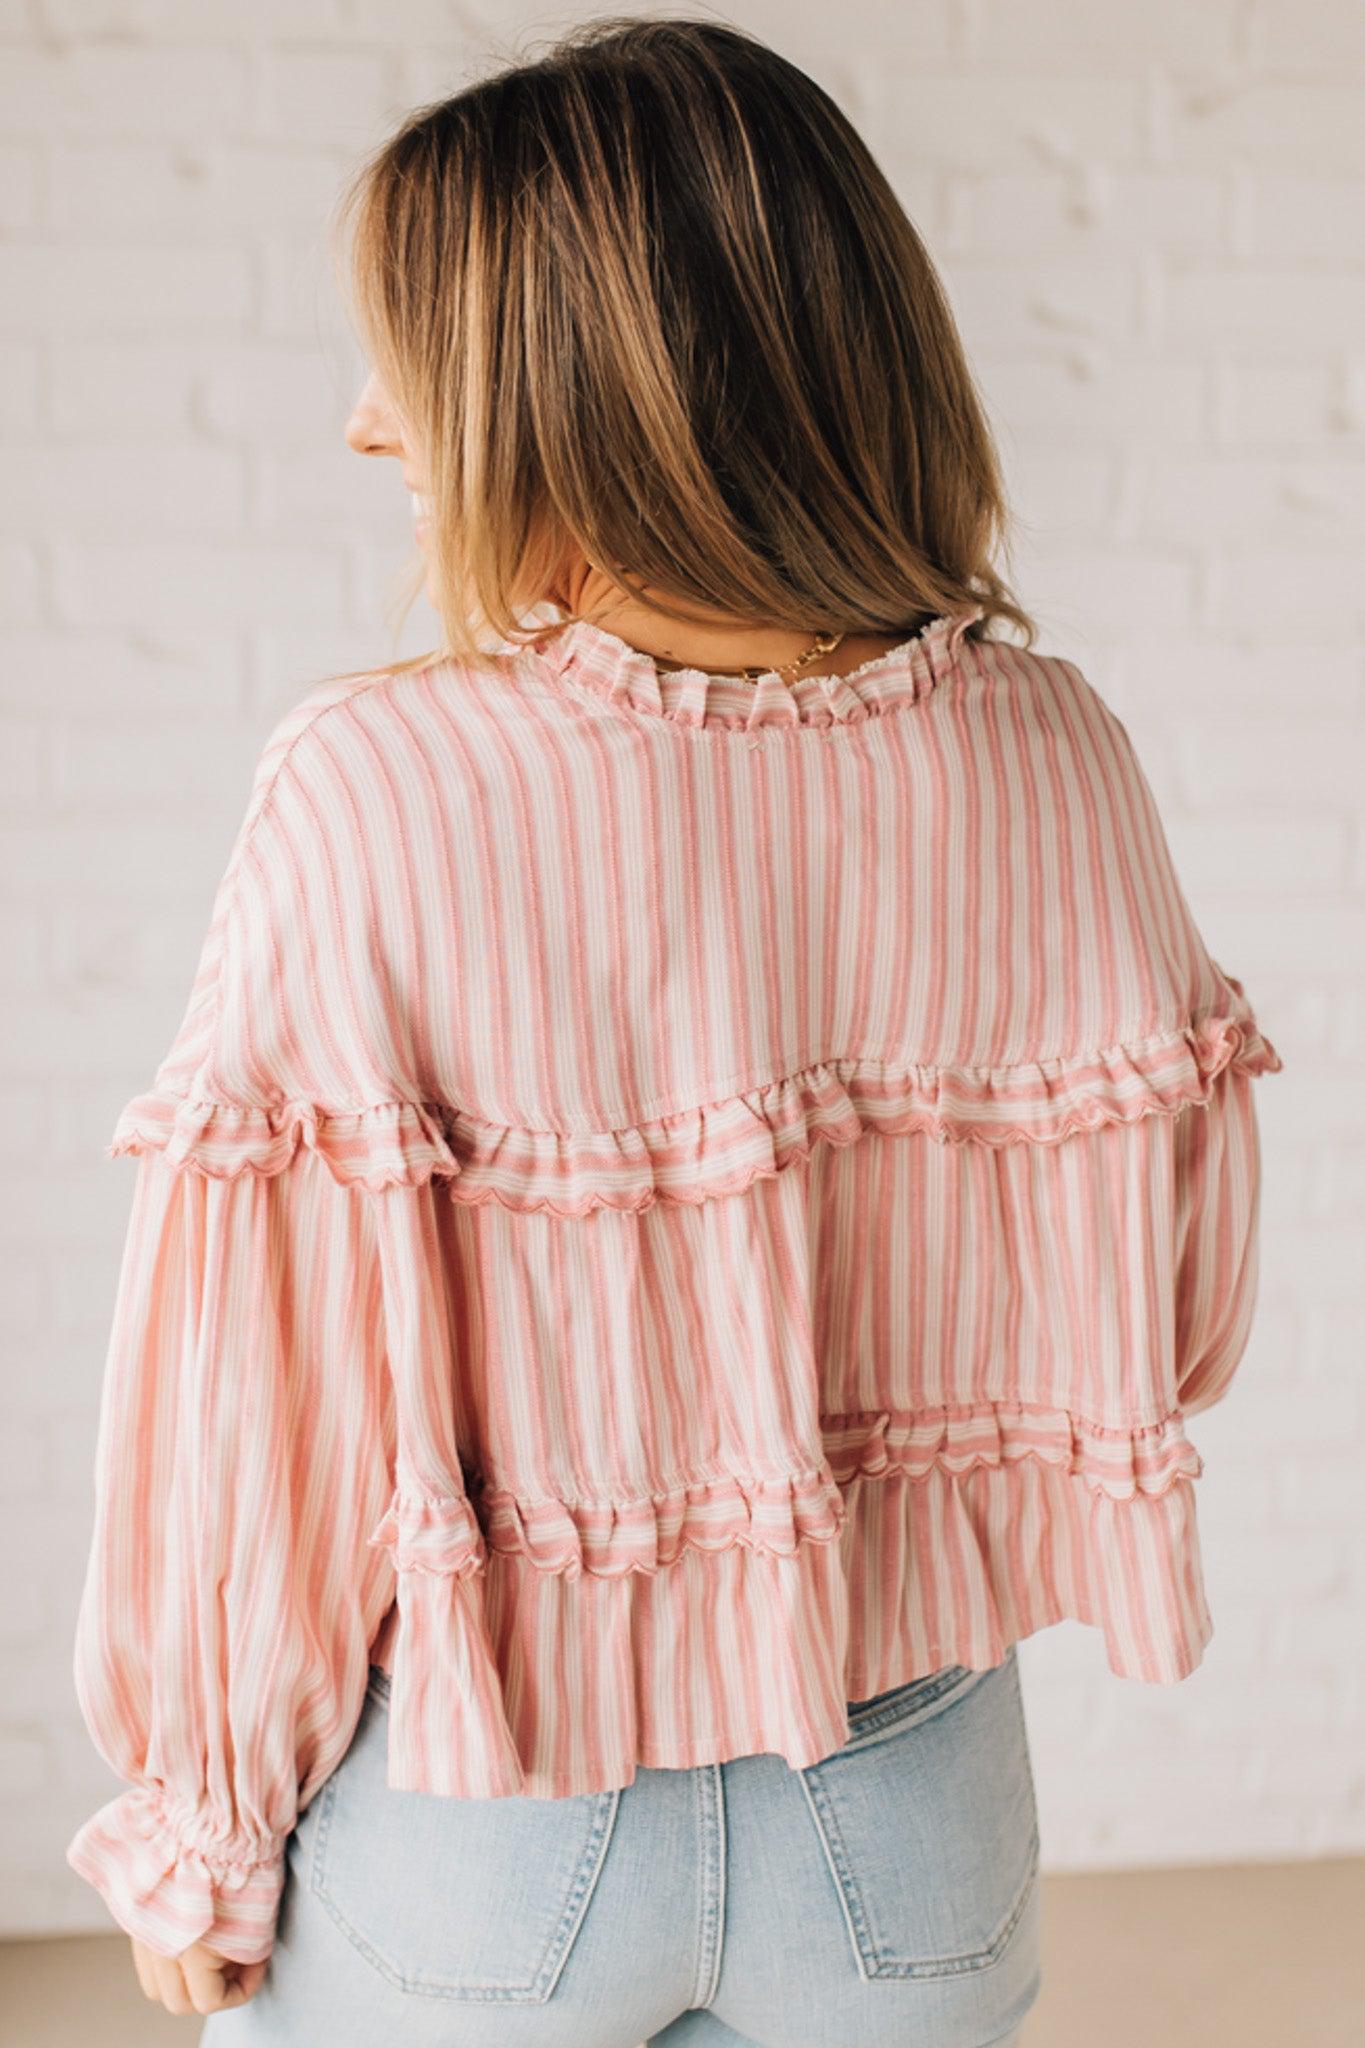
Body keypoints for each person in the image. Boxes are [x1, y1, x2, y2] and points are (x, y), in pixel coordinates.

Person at [64, 17, 1282, 2046]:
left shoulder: (378, 781)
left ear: (577, 399)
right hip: (911, 1806)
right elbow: (1172, 1317)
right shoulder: (1055, 750)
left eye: (413, 362)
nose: (375, 428)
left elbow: (250, 1396)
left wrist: (200, 1807)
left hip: (493, 1820)